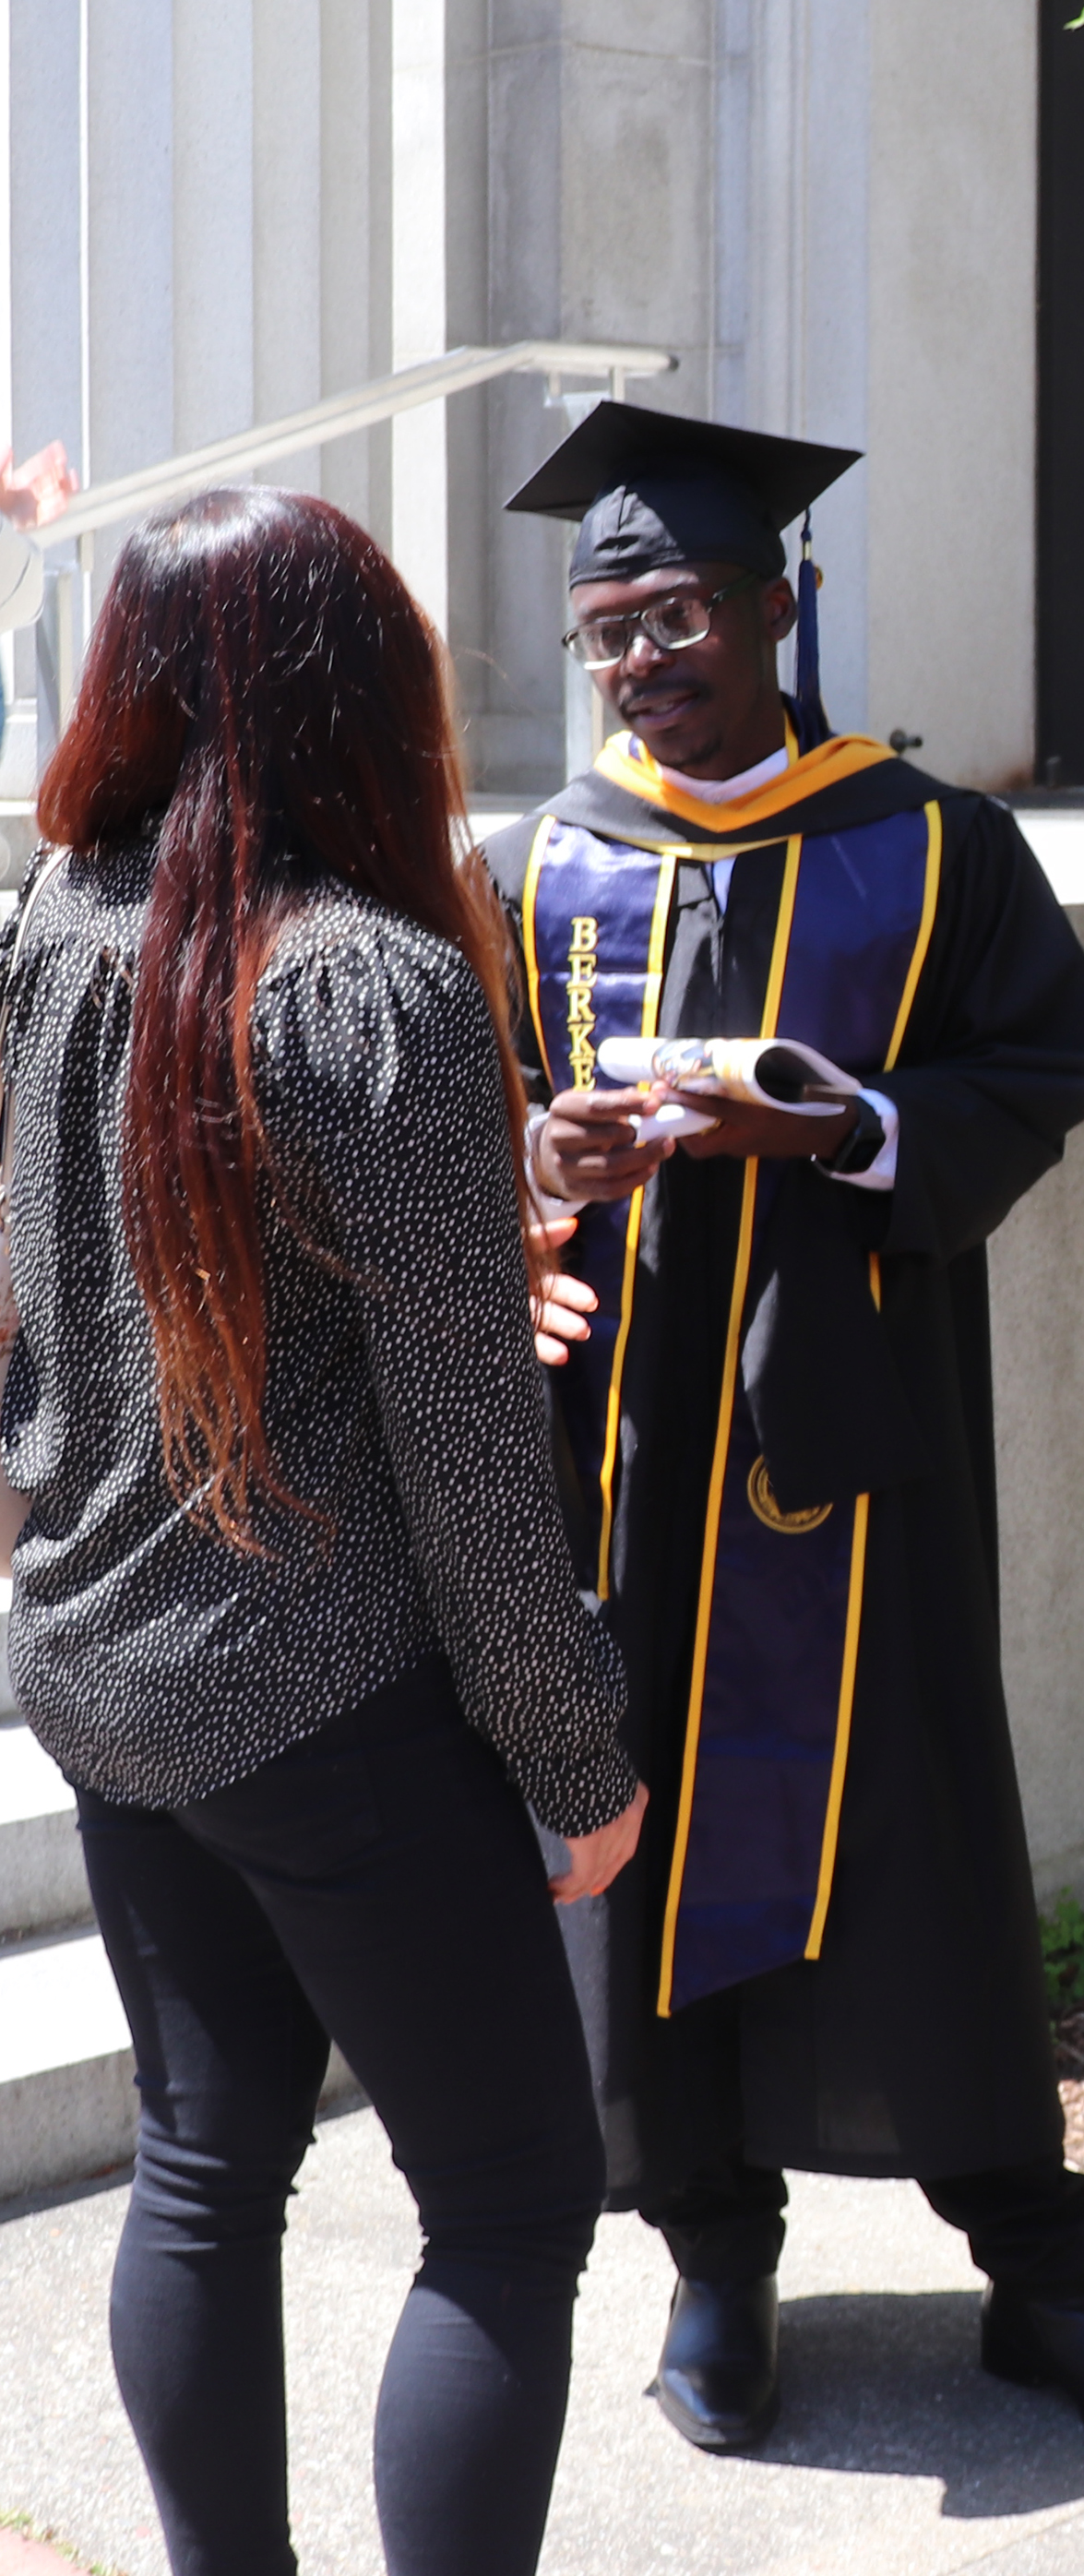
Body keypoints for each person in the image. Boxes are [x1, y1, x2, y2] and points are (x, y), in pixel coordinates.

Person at [482, 400, 1084, 2460]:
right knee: (641, 1871)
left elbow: (1050, 1073)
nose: (642, 656)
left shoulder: (928, 843)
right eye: (607, 625)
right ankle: (713, 2265)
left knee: (927, 1854)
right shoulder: (535, 863)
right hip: (627, 1478)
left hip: (865, 1463)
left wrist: (839, 1122)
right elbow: (473, 1143)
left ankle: (1040, 2274)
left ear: (777, 600)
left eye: (679, 611)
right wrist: (540, 1153)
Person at [6, 486, 647, 2576]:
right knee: (511, 2196)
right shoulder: (369, 985)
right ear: (356, 693)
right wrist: (575, 1761)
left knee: (201, 2165)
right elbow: (470, 1461)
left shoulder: (49, 938)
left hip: (110, 1678)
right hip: (326, 1706)